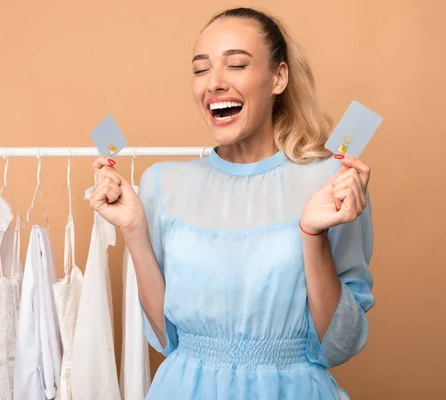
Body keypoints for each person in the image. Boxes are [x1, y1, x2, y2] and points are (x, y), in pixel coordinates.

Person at [90, 7, 374, 400]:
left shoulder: (332, 181)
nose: (214, 83)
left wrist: (312, 234)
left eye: (236, 64)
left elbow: (338, 345)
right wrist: (134, 231)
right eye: (200, 69)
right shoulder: (161, 183)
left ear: (278, 78)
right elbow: (166, 338)